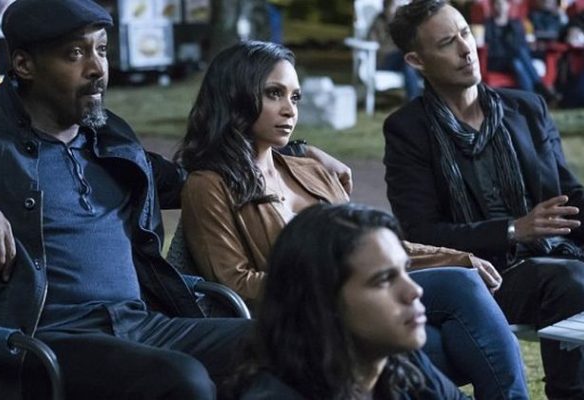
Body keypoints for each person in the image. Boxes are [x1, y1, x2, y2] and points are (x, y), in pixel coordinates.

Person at [172, 40, 529, 399]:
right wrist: (331, 282)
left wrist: (458, 256)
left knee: (455, 310)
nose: (289, 110)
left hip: (361, 305)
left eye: (295, 97)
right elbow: (235, 282)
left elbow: (374, 249)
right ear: (235, 96)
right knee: (456, 318)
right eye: (274, 94)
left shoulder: (311, 169)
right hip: (302, 320)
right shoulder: (208, 184)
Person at [0, 0, 255, 399]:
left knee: (287, 342)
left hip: (142, 324)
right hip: (50, 340)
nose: (97, 68)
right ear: (24, 65)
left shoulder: (111, 139)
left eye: (101, 49)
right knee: (183, 378)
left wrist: (293, 154)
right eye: (75, 53)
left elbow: (194, 179)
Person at [384, 0, 584, 397]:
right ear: (416, 60)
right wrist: (513, 230)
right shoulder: (408, 130)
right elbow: (422, 232)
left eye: (465, 33)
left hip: (557, 252)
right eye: (447, 42)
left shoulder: (526, 108)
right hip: (486, 276)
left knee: (573, 273)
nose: (466, 49)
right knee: (572, 279)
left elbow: (570, 197)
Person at [231, 203, 469, 399]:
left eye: (405, 270)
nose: (414, 290)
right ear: (323, 301)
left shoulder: (402, 365)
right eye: (384, 280)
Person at [484, 0, 558, 101]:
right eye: (497, 4)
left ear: (508, 6)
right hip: (497, 61)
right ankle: (539, 86)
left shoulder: (515, 24)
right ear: (493, 6)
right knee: (519, 53)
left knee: (517, 63)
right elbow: (492, 48)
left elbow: (522, 43)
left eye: (503, 3)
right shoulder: (488, 25)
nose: (500, 7)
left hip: (514, 59)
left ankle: (531, 98)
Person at [368, 0, 421, 101]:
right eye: (393, 6)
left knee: (408, 66)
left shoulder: (400, 22)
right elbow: (372, 43)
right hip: (384, 60)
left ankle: (413, 101)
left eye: (397, 7)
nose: (396, 10)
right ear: (386, 7)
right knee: (407, 56)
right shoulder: (378, 22)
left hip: (401, 60)